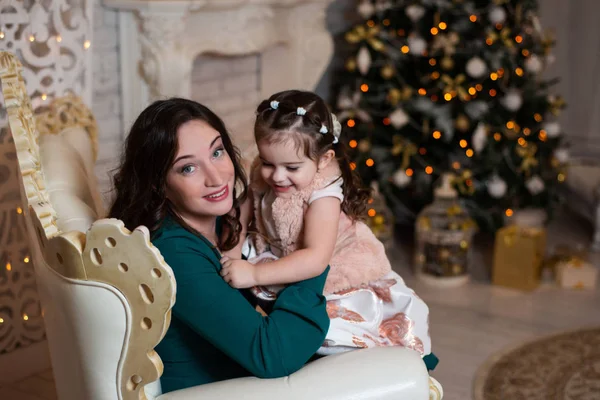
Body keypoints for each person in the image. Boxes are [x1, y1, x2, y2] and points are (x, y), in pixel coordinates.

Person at [108, 98, 330, 393]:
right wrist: (312, 254)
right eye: (188, 168)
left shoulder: (218, 223)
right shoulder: (173, 254)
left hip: (240, 374)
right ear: (157, 184)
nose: (216, 177)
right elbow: (272, 355)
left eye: (217, 151)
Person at [219, 90, 436, 369]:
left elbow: (315, 259)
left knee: (330, 337)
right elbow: (242, 209)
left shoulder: (324, 195)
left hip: (333, 272)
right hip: (281, 254)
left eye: (292, 167)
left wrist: (254, 273)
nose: (277, 175)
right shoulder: (267, 170)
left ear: (323, 159)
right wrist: (232, 254)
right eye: (268, 163)